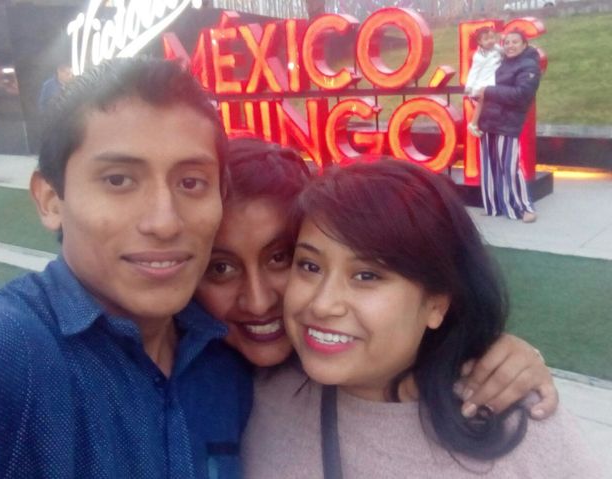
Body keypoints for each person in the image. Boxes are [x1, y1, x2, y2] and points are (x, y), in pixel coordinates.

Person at [0, 58, 251, 478]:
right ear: (50, 200)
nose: (165, 222)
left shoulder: (226, 360)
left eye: (191, 183)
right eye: (118, 180)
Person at [242, 158, 602, 478]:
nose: (322, 305)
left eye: (367, 275)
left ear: (437, 304)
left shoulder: (520, 428)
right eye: (309, 266)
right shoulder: (256, 392)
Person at [196, 137, 558, 418]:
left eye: (281, 258)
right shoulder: (187, 375)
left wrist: (499, 354)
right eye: (220, 268)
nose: (258, 301)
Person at [476, 29, 541, 223]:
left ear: (524, 45)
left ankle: (525, 208)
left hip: (507, 122)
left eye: (515, 42)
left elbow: (521, 95)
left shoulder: (529, 66)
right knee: (490, 166)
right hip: (488, 120)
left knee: (509, 166)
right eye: (507, 42)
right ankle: (494, 206)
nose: (510, 46)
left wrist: (488, 91)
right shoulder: (500, 62)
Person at [465, 26, 502, 138]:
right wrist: (469, 86)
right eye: (486, 39)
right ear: (479, 42)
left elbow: (505, 53)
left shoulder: (496, 48)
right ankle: (473, 123)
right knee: (482, 102)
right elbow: (474, 71)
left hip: (495, 80)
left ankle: (475, 124)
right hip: (485, 82)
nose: (490, 41)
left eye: (492, 37)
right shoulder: (479, 56)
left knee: (486, 104)